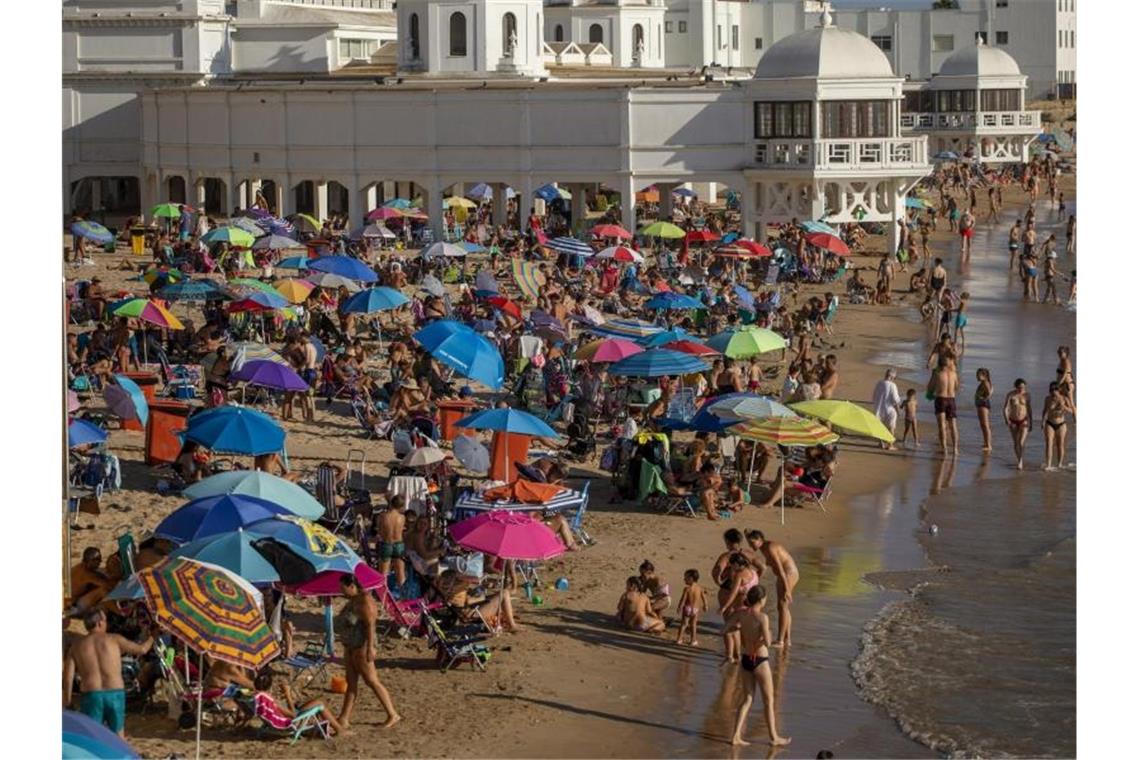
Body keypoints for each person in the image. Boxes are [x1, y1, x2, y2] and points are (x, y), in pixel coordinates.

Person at [63, 609, 155, 736]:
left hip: (91, 695)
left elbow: (68, 677)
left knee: (93, 736)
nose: (107, 623)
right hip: (115, 693)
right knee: (118, 736)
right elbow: (142, 650)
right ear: (100, 623)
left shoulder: (76, 646)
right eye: (106, 620)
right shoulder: (114, 639)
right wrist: (153, 636)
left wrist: (68, 702)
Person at [725, 586, 791, 748]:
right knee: (768, 700)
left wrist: (740, 629)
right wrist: (765, 633)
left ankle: (735, 736)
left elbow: (726, 629)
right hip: (760, 659)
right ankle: (774, 737)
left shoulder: (741, 613)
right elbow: (768, 643)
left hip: (746, 658)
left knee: (747, 699)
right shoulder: (763, 617)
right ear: (762, 600)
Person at [336, 574, 401, 730]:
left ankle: (392, 714)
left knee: (371, 680)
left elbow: (370, 626)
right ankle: (344, 718)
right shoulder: (353, 601)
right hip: (350, 645)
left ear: (352, 586)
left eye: (343, 588)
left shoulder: (365, 601)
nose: (341, 592)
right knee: (351, 682)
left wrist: (371, 647)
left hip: (361, 646)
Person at [746, 530, 799, 649]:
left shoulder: (770, 547)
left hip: (787, 574)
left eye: (752, 543)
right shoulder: (763, 547)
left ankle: (780, 640)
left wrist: (787, 589)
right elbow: (748, 534)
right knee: (783, 607)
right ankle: (787, 639)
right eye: (749, 543)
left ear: (760, 540)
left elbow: (780, 569)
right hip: (785, 575)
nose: (750, 545)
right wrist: (747, 533)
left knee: (782, 606)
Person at [66, 547, 116, 617]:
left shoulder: (82, 566)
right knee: (103, 591)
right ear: (91, 560)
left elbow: (99, 575)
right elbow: (107, 585)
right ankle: (120, 613)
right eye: (98, 560)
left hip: (72, 601)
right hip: (72, 608)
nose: (100, 561)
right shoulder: (86, 574)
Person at [928, 355, 960, 456]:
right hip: (951, 399)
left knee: (942, 426)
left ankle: (945, 449)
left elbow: (930, 388)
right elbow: (957, 387)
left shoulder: (937, 373)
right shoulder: (954, 373)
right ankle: (955, 449)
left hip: (940, 399)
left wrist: (934, 391)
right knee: (953, 426)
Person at [1041, 381, 1075, 471]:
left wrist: (1064, 407)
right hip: (1050, 422)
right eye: (1051, 390)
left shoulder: (1064, 399)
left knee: (1060, 444)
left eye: (1055, 389)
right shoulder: (1047, 399)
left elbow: (1072, 411)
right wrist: (1042, 421)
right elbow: (1044, 410)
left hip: (1061, 424)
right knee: (1049, 443)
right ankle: (1048, 465)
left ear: (1058, 389)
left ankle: (1059, 464)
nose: (1053, 391)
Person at [376, 496, 407, 588]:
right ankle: (403, 593)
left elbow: (380, 532)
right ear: (401, 506)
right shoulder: (402, 517)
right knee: (400, 572)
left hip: (387, 544)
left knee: (384, 573)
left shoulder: (383, 516)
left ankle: (384, 595)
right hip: (399, 545)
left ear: (391, 503)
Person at [1003, 378, 1033, 471]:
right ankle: (1019, 459)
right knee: (1016, 442)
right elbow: (1005, 408)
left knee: (1021, 442)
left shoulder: (1027, 395)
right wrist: (1006, 419)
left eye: (1023, 387)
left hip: (1024, 420)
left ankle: (1020, 461)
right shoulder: (1011, 395)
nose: (1022, 389)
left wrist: (1031, 422)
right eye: (1020, 387)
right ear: (1016, 387)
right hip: (1013, 420)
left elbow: (1029, 409)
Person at [675, 569, 708, 646]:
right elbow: (704, 598)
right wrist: (705, 605)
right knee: (693, 624)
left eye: (685, 578)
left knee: (683, 624)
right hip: (695, 609)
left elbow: (683, 599)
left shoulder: (687, 589)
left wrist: (679, 607)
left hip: (687, 608)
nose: (684, 579)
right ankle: (693, 641)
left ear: (691, 579)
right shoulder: (700, 588)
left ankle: (679, 639)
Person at [871, 368, 902, 450]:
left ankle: (881, 443)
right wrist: (898, 411)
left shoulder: (879, 383)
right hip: (889, 409)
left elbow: (874, 396)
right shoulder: (892, 385)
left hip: (878, 408)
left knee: (880, 427)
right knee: (891, 427)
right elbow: (895, 400)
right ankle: (890, 445)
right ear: (892, 377)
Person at [975, 367, 993, 453]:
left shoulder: (985, 383)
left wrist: (983, 398)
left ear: (984, 376)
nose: (976, 376)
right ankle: (986, 443)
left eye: (978, 375)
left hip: (983, 405)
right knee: (983, 425)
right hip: (980, 405)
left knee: (985, 425)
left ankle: (988, 445)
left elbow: (989, 393)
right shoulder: (983, 382)